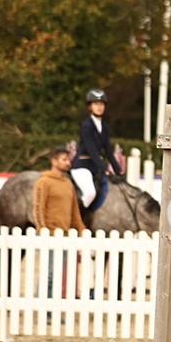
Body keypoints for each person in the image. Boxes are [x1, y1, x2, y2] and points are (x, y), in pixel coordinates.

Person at [32, 146, 86, 298]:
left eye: (68, 159)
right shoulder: (43, 182)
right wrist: (42, 229)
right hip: (49, 234)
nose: (68, 163)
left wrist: (82, 230)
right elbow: (38, 208)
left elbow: (74, 212)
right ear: (54, 161)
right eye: (64, 159)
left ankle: (48, 307)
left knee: (56, 274)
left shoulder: (68, 183)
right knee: (49, 273)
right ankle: (43, 306)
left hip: (64, 236)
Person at [70, 89, 122, 213]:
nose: (99, 107)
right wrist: (106, 170)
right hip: (82, 166)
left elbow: (108, 151)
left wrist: (119, 171)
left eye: (101, 104)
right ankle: (77, 219)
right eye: (96, 104)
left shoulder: (105, 127)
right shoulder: (86, 126)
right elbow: (92, 150)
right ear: (90, 107)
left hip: (95, 167)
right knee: (90, 193)